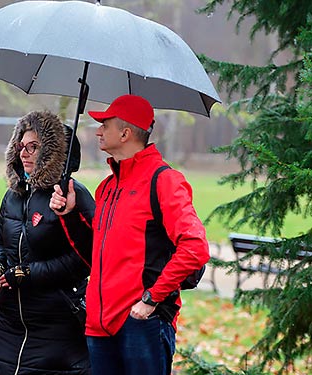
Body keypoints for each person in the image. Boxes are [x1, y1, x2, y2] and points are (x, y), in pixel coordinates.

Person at [50, 95, 210, 375]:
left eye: (105, 124)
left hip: (140, 323)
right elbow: (95, 253)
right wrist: (70, 215)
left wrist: (151, 300)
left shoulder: (165, 181)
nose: (98, 130)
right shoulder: (107, 187)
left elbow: (195, 247)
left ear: (125, 133)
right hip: (99, 324)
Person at [0, 110, 96, 375]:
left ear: (52, 153)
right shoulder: (13, 195)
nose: (24, 153)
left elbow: (83, 259)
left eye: (34, 147)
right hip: (10, 324)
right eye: (21, 146)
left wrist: (26, 273)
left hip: (57, 325)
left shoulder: (72, 195)